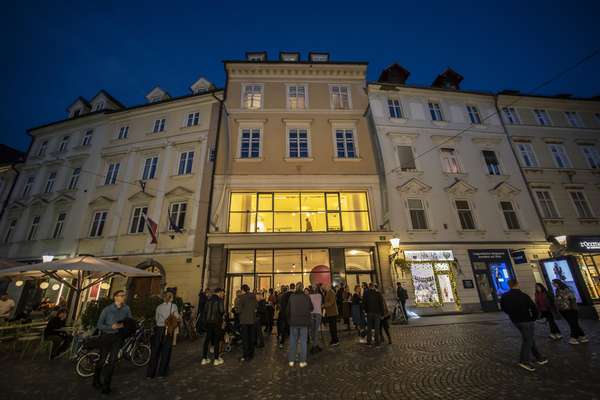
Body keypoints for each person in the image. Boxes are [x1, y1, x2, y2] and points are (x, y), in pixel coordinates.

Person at [500, 279, 547, 372]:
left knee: (529, 338)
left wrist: (511, 314)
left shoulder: (505, 296)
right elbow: (533, 308)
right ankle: (524, 360)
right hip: (526, 319)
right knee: (528, 339)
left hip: (516, 320)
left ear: (509, 285)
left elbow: (504, 308)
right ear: (517, 284)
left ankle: (538, 356)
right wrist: (534, 318)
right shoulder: (524, 296)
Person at [94, 290, 132, 394]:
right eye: (121, 295)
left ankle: (106, 386)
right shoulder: (107, 309)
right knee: (102, 360)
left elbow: (129, 321)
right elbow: (99, 325)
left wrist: (124, 325)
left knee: (112, 361)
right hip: (106, 336)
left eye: (124, 295)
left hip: (118, 337)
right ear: (115, 297)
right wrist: (111, 327)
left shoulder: (126, 308)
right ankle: (96, 380)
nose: (123, 297)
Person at [147, 291, 180, 378]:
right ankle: (162, 373)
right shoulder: (174, 306)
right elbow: (177, 317)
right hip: (168, 330)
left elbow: (156, 319)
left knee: (155, 351)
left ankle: (150, 374)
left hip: (159, 329)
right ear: (171, 297)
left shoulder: (159, 307)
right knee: (166, 352)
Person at [552, 279, 588, 344]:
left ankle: (573, 338)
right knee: (573, 323)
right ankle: (583, 336)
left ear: (558, 283)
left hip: (570, 309)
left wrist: (574, 308)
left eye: (554, 283)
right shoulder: (557, 291)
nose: (553, 284)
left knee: (573, 323)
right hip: (563, 310)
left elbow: (572, 299)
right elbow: (557, 300)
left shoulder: (566, 289)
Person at [286, 282, 313, 367]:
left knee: (293, 341)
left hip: (293, 322)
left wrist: (289, 319)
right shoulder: (306, 297)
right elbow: (311, 308)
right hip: (304, 322)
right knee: (303, 342)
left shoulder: (292, 297)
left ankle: (291, 360)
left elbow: (287, 310)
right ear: (302, 288)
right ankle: (302, 361)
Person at [201, 288, 225, 366]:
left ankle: (204, 358)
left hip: (208, 323)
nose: (223, 294)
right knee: (216, 340)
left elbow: (204, 311)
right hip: (216, 322)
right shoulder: (219, 300)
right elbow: (221, 311)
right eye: (223, 293)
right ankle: (216, 359)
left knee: (207, 340)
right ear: (219, 292)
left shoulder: (208, 299)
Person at [238, 284, 257, 361]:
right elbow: (256, 307)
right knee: (251, 337)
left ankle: (245, 355)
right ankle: (251, 354)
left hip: (244, 321)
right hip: (252, 320)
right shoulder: (253, 296)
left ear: (243, 290)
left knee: (245, 339)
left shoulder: (241, 298)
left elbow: (239, 310)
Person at [277, 284, 293, 348]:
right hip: (290, 313)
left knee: (283, 327)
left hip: (284, 313)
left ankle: (282, 341)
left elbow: (280, 304)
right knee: (290, 327)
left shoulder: (282, 295)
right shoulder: (292, 295)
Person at [308, 286, 323, 353]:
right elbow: (321, 303)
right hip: (318, 314)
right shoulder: (320, 295)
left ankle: (314, 345)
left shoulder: (309, 296)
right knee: (315, 330)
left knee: (312, 330)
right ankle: (315, 345)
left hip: (311, 313)